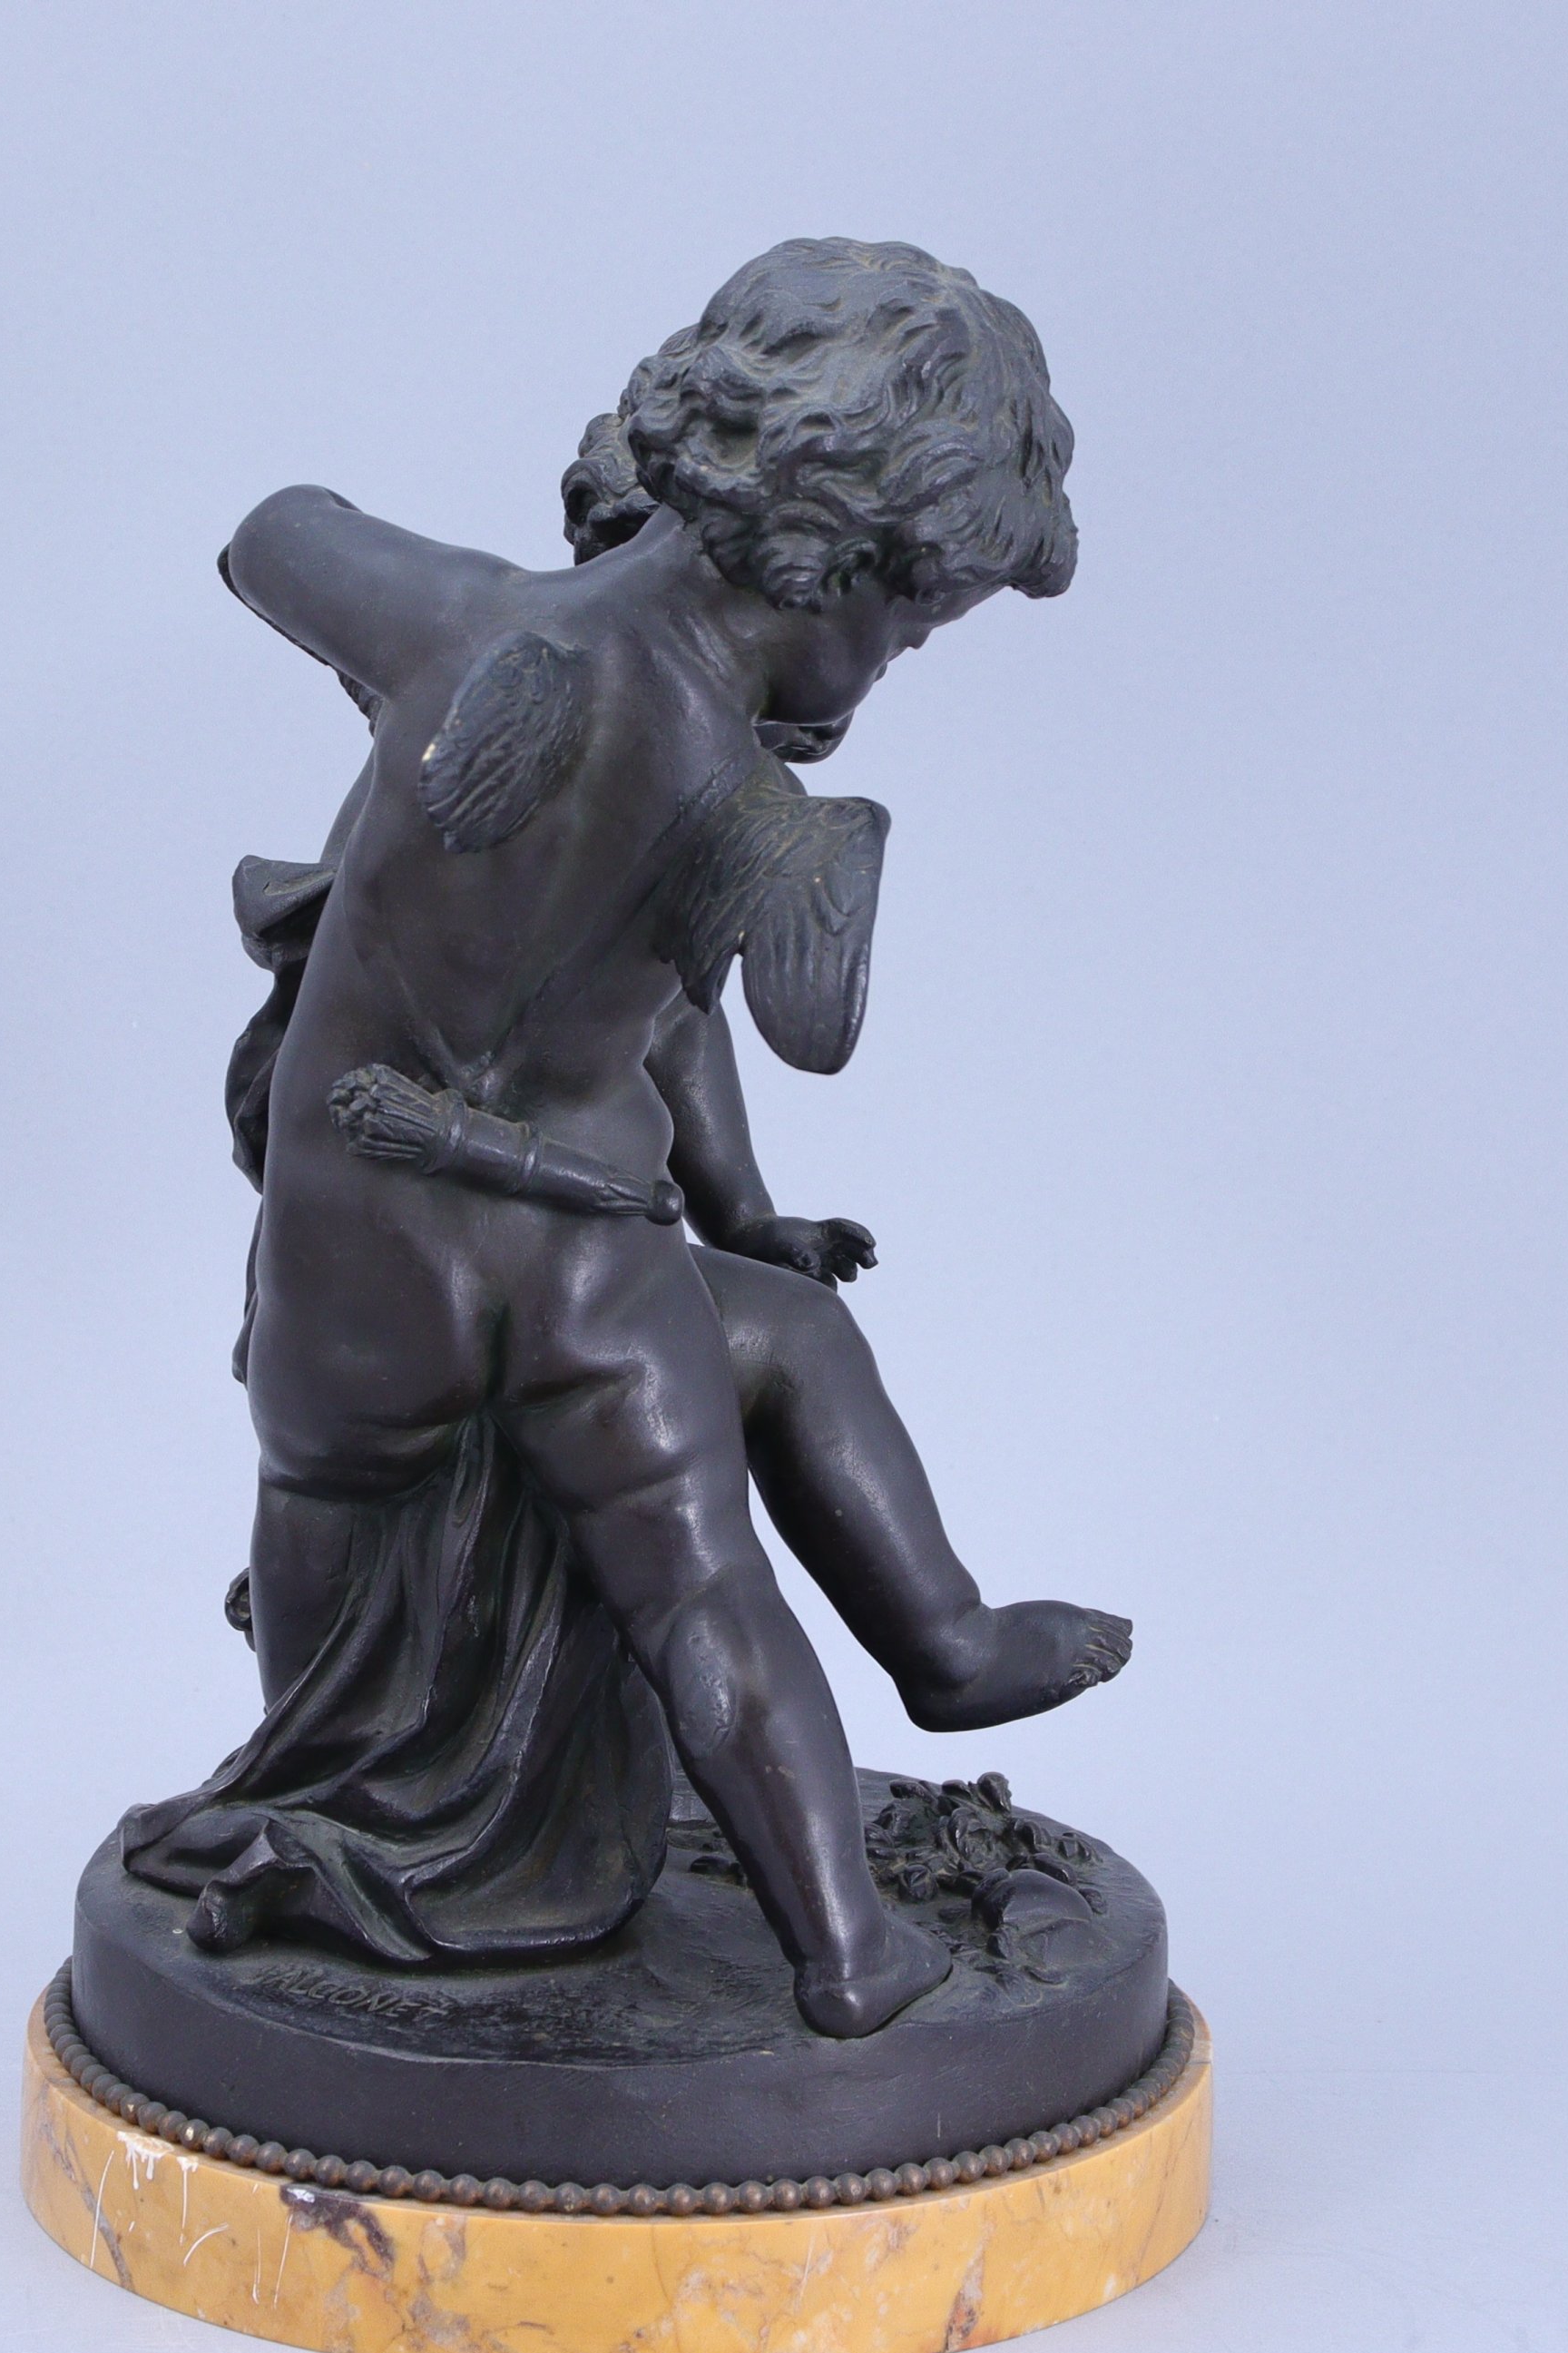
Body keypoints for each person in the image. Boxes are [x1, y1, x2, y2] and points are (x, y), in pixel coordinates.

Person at [128, 240, 1089, 2037]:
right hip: (577, 1264)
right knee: (704, 1585)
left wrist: (749, 1211)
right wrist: (811, 893)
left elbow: (273, 534)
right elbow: (792, 1017)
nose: (890, 663)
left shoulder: (457, 620)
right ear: (843, 561)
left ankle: (323, 1792)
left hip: (348, 1253)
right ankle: (854, 1939)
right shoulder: (749, 805)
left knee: (338, 1499)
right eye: (910, 626)